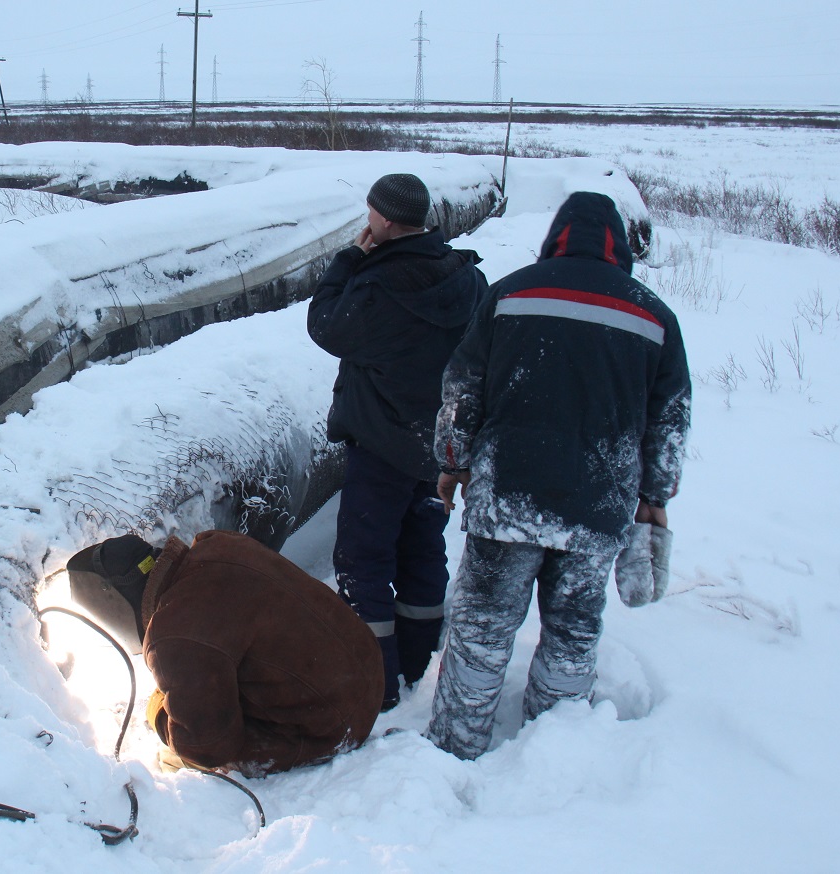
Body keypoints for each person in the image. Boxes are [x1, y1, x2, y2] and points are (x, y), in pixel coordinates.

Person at [426, 191, 691, 760]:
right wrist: (654, 496)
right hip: (598, 506)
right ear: (619, 246)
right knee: (572, 632)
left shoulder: (511, 293)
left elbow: (462, 389)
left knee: (482, 628)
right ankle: (554, 752)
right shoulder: (654, 316)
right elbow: (669, 420)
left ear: (556, 237)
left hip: (509, 498)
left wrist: (453, 461)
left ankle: (452, 749)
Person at [306, 172, 489, 707]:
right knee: (423, 550)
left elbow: (325, 326)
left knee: (365, 559)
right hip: (439, 449)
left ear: (383, 219)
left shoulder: (377, 284)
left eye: (370, 214)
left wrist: (348, 261)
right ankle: (417, 660)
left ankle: (377, 682)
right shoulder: (467, 279)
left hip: (382, 445)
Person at [65, 530, 384, 776]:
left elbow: (205, 746)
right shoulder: (217, 545)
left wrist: (159, 713)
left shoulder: (175, 632)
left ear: (115, 609)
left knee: (178, 758)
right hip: (366, 677)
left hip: (332, 728)